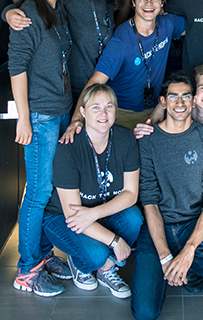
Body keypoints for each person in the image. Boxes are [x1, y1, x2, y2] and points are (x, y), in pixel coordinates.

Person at [131, 71, 203, 320]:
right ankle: (172, 269)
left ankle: (187, 269)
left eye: (185, 97)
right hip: (156, 227)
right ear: (163, 102)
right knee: (145, 313)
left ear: (193, 101)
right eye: (173, 97)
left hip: (192, 222)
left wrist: (189, 250)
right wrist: (165, 257)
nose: (180, 103)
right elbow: (149, 200)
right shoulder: (147, 141)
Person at [8, 0, 74, 297]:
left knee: (49, 195)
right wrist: (24, 119)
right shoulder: (27, 14)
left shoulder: (55, 9)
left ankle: (44, 255)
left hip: (61, 109)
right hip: (40, 116)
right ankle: (25, 270)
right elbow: (17, 66)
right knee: (37, 194)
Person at [42, 84, 143, 298]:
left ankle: (106, 269)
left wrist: (95, 213)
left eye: (109, 106)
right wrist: (115, 241)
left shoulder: (125, 140)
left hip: (97, 212)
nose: (103, 113)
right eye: (95, 107)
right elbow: (73, 215)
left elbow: (131, 194)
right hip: (63, 217)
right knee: (95, 255)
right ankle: (85, 262)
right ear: (83, 112)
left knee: (133, 218)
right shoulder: (68, 148)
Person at [61, 0, 185, 134]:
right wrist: (77, 119)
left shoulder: (168, 24)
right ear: (133, 2)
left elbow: (197, 25)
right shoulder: (121, 41)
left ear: (161, 3)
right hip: (124, 114)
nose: (149, 3)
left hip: (156, 109)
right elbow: (96, 80)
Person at [6, 0, 129, 104]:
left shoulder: (108, 3)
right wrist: (8, 12)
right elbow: (38, 1)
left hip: (96, 89)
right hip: (70, 88)